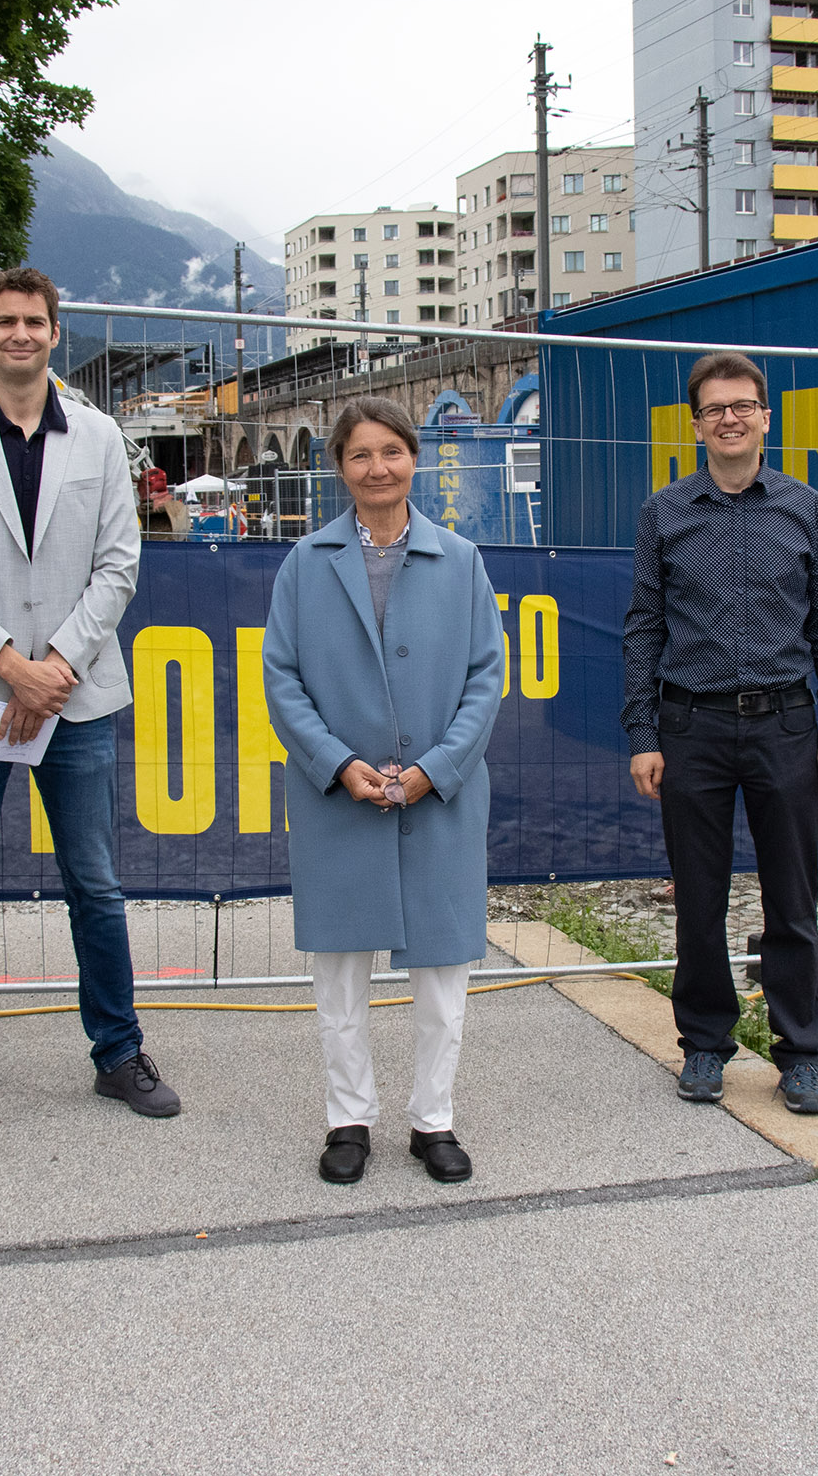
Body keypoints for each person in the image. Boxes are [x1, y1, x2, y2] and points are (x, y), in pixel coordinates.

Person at [0, 266, 177, 1136]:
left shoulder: (98, 437)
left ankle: (118, 1052)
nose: (20, 334)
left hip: (77, 699)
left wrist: (52, 665)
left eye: (35, 322)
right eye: (5, 322)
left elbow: (119, 566)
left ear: (57, 335)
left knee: (95, 882)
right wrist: (10, 665)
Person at [262, 397, 503, 1184]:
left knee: (442, 979)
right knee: (338, 976)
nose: (378, 468)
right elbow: (283, 679)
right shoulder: (305, 564)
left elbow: (484, 679)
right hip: (341, 799)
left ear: (415, 458)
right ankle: (348, 1118)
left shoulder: (460, 560)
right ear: (340, 468)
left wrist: (438, 767)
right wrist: (335, 762)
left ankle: (433, 1118)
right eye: (361, 455)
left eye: (392, 452)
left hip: (441, 799)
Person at [623, 352, 818, 1117]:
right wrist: (643, 731)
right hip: (692, 726)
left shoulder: (806, 509)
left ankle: (800, 1054)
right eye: (715, 407)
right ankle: (703, 1044)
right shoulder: (665, 512)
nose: (730, 417)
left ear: (766, 416)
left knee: (793, 898)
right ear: (697, 424)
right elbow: (644, 627)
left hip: (788, 725)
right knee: (699, 896)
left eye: (743, 405)